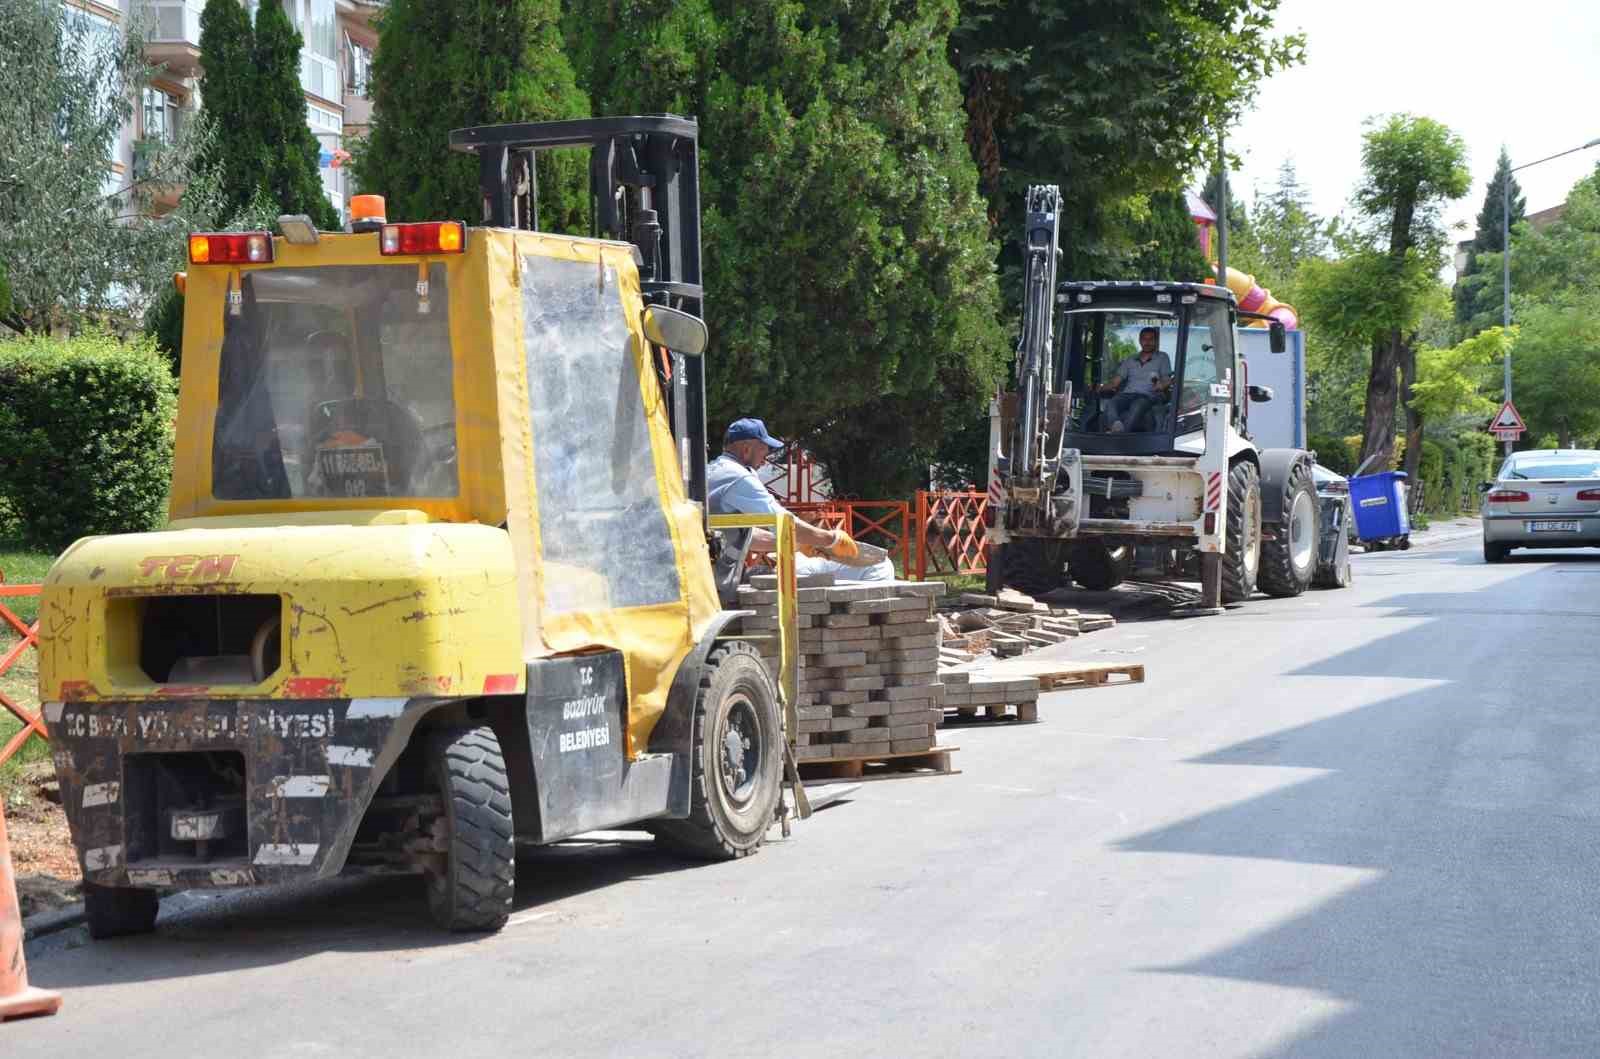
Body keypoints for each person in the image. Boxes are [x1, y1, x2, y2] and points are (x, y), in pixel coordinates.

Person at [707, 418, 895, 582]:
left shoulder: (714, 470)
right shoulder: (739, 477)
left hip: (721, 575)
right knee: (879, 566)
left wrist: (800, 542)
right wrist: (831, 539)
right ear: (746, 449)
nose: (765, 460)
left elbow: (741, 534)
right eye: (764, 452)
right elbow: (784, 521)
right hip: (726, 578)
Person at [1098, 326, 1173, 433]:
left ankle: (1120, 436)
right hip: (1128, 394)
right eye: (1144, 339)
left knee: (1137, 405)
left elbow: (1167, 379)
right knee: (1112, 403)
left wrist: (1162, 385)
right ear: (1140, 340)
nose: (1147, 342)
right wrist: (1099, 388)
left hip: (1149, 396)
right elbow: (1115, 383)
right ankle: (1116, 426)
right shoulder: (1130, 359)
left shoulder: (1162, 357)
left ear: (1156, 341)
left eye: (1151, 339)